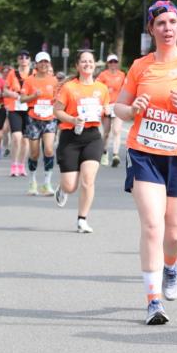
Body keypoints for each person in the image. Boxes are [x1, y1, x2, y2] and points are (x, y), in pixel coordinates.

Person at [114, 0, 177, 324]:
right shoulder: (140, 66)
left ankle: (171, 266)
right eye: (161, 23)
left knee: (174, 234)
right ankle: (153, 300)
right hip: (144, 153)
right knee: (153, 226)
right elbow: (118, 106)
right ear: (151, 29)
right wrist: (132, 111)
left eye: (172, 22)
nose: (167, 28)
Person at [53, 50, 109, 232]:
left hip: (92, 136)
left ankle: (82, 219)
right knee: (70, 186)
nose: (87, 64)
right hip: (70, 137)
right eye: (83, 62)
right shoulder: (69, 87)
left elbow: (105, 109)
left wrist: (110, 111)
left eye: (90, 61)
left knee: (88, 180)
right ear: (77, 66)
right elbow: (57, 111)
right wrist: (72, 120)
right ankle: (62, 189)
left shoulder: (101, 88)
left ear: (95, 65)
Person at [21, 52, 59, 196]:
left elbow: (58, 98)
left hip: (49, 118)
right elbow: (22, 99)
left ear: (49, 63)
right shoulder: (29, 81)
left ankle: (47, 183)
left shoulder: (54, 80)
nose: (44, 64)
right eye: (41, 62)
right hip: (33, 118)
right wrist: (33, 96)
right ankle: (32, 181)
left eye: (46, 62)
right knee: (35, 153)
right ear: (36, 64)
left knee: (49, 150)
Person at [3, 50, 32, 176]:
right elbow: (4, 90)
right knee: (16, 137)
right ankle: (14, 165)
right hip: (15, 108)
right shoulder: (12, 73)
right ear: (18, 60)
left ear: (29, 60)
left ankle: (21, 165)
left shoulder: (34, 73)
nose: (24, 59)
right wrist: (13, 94)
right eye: (21, 57)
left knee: (26, 140)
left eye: (26, 57)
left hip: (29, 108)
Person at [97, 54, 126, 167]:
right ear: (108, 64)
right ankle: (104, 152)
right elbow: (97, 89)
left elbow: (126, 89)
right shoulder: (103, 75)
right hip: (107, 105)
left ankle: (115, 155)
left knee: (117, 130)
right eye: (111, 62)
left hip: (118, 105)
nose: (113, 64)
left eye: (115, 62)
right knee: (106, 132)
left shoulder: (122, 75)